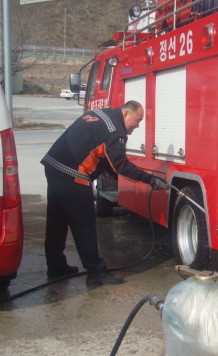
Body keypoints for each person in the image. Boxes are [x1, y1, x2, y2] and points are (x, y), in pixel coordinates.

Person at [41, 100, 168, 287]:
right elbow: (121, 165)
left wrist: (118, 178)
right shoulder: (116, 130)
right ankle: (96, 273)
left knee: (57, 220)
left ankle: (56, 266)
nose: (137, 125)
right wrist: (149, 179)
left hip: (54, 166)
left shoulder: (102, 114)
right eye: (138, 120)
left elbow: (105, 157)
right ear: (126, 114)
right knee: (84, 223)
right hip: (72, 174)